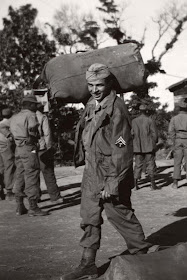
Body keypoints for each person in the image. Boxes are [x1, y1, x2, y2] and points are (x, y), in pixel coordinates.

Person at [60, 63, 151, 280]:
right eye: (90, 85)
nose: (94, 89)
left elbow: (121, 146)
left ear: (108, 83)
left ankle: (145, 257)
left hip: (111, 171)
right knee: (89, 217)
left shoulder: (116, 107)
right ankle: (88, 264)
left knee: (120, 215)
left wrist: (112, 181)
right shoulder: (91, 104)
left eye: (99, 85)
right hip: (92, 171)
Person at [10, 94, 48, 216]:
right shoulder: (31, 115)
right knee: (32, 175)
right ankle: (33, 207)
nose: (36, 107)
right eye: (35, 104)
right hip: (28, 147)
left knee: (19, 175)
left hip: (18, 148)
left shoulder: (15, 117)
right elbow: (32, 132)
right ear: (30, 105)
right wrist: (34, 143)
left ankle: (19, 206)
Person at [36, 103, 63, 203]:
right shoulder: (42, 117)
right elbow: (47, 133)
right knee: (48, 172)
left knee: (33, 174)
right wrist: (49, 148)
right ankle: (55, 196)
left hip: (31, 149)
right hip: (42, 147)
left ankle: (36, 196)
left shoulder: (26, 116)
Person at [131, 104, 160, 191]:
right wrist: (154, 142)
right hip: (148, 146)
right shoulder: (150, 120)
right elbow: (154, 134)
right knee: (150, 164)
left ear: (139, 111)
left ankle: (135, 185)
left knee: (137, 165)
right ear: (146, 111)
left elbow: (131, 134)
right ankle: (153, 185)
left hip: (137, 147)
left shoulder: (134, 121)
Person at [168, 100, 187, 189]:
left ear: (179, 108)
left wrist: (174, 140)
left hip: (178, 140)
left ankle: (175, 183)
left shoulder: (174, 118)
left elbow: (171, 131)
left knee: (177, 162)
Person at [0, 108, 16, 201]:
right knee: (9, 167)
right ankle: (9, 191)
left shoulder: (1, 122)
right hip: (6, 145)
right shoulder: (8, 122)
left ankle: (1, 190)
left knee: (1, 168)